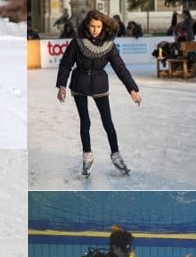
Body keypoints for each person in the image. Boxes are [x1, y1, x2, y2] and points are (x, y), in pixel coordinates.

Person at [55, 10, 141, 175]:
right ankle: (87, 155)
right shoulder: (77, 42)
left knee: (107, 122)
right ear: (87, 25)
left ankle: (116, 155)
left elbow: (120, 68)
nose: (95, 29)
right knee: (85, 122)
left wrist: (132, 89)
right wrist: (61, 85)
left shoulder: (108, 45)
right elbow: (66, 64)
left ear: (103, 26)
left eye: (99, 26)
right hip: (79, 83)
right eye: (92, 26)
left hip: (100, 85)